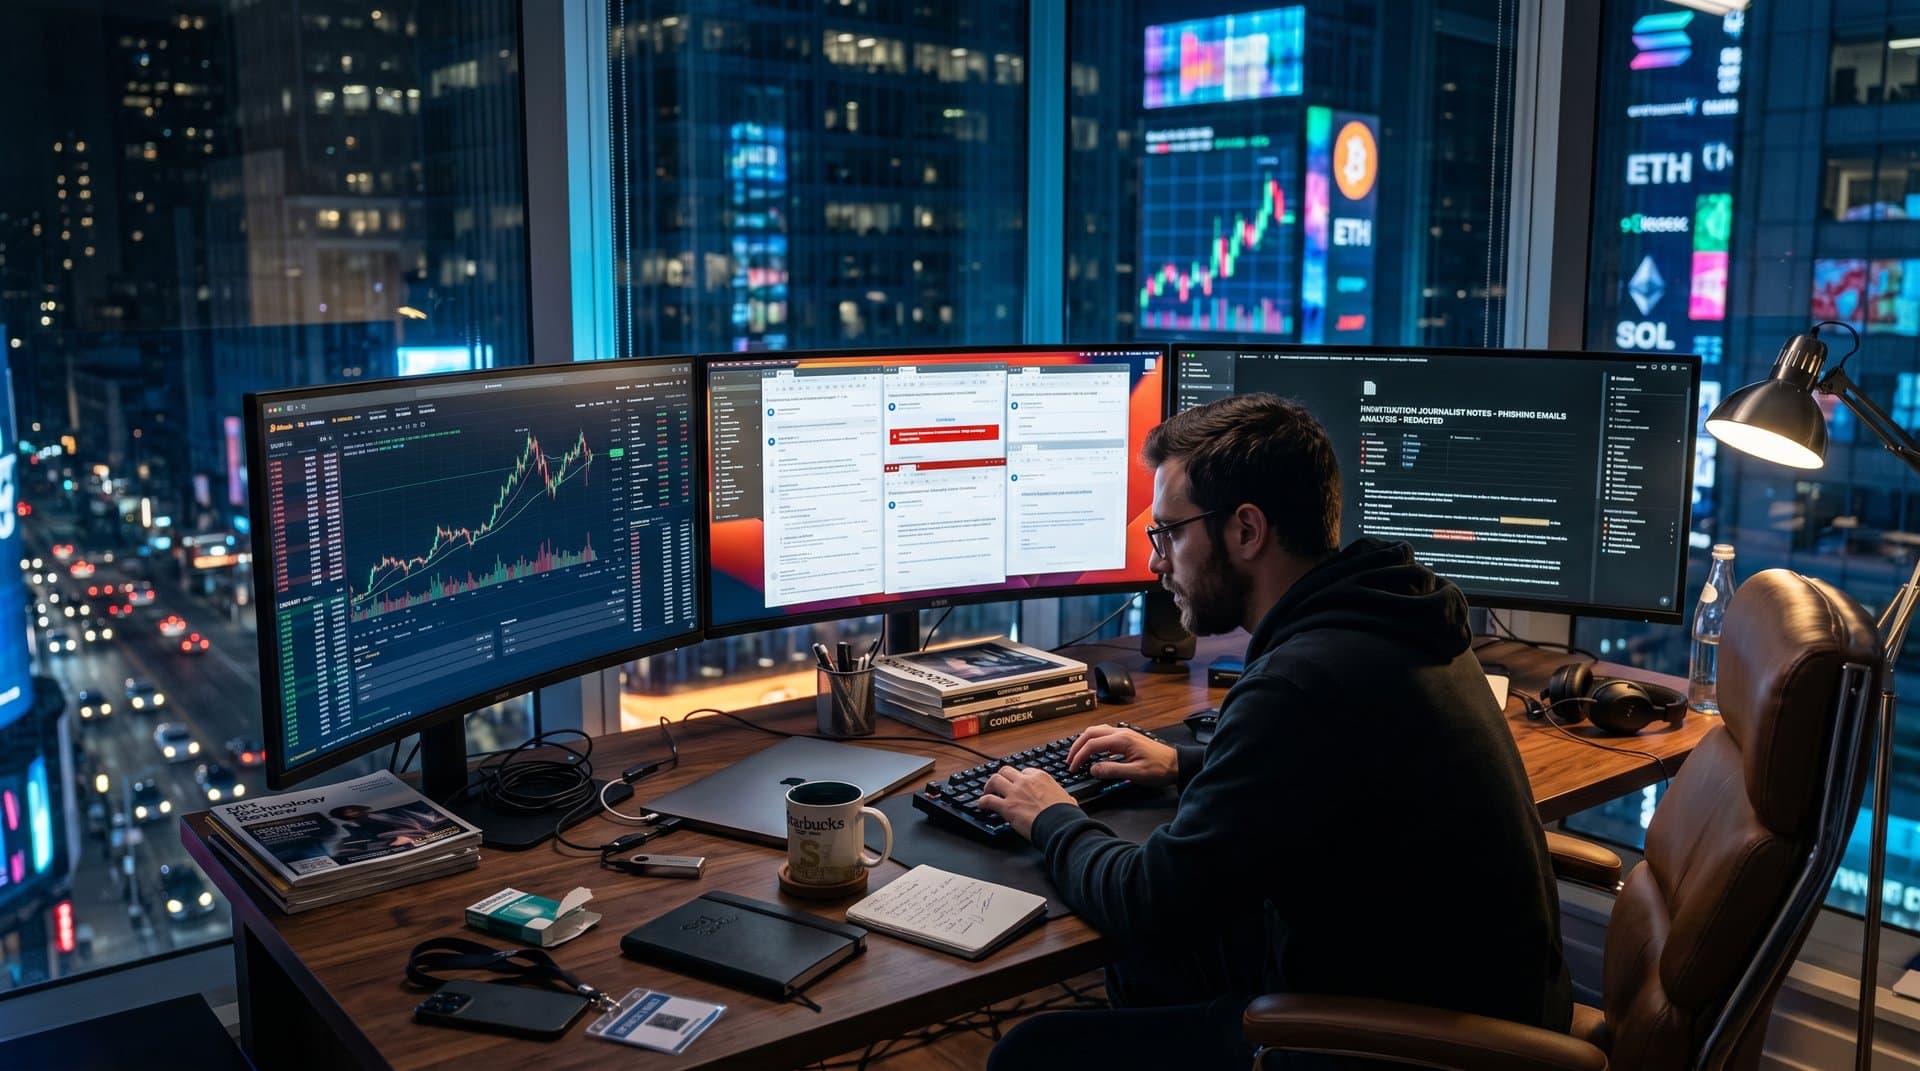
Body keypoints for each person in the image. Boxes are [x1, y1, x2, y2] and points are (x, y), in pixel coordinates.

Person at [977, 394, 1571, 1070]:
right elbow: (1339, 769)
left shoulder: (1299, 681)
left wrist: (1051, 815)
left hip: (1411, 1045)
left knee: (1029, 1053)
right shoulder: (1395, 613)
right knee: (1150, 969)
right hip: (1478, 994)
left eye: (1168, 532)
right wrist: (1186, 762)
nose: (1156, 561)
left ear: (1247, 530)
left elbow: (1149, 899)